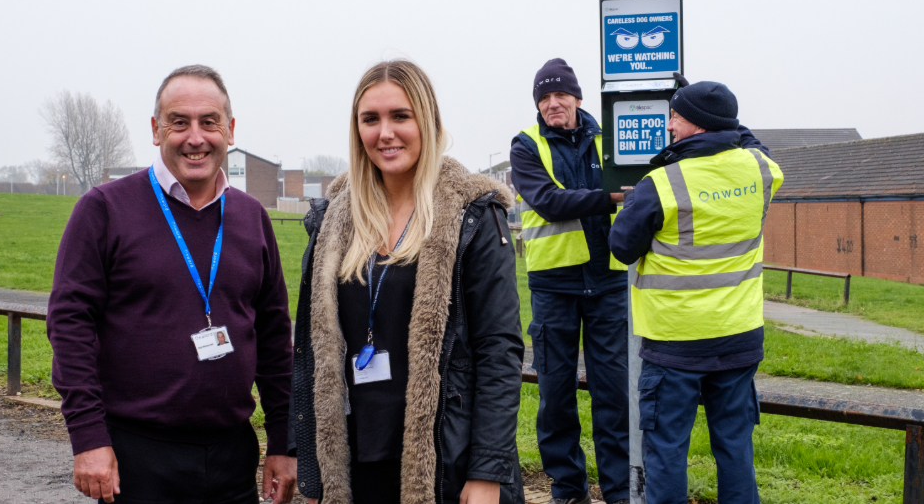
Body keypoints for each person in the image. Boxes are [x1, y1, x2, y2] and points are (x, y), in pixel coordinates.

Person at [47, 65, 297, 504]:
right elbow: (70, 325)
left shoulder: (251, 217)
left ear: (230, 130)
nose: (195, 137)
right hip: (138, 456)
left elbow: (274, 336)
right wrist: (88, 437)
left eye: (209, 122)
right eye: (179, 122)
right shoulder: (104, 209)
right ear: (156, 130)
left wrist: (283, 441)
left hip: (232, 453)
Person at [289, 59, 525, 504]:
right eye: (370, 119)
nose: (385, 133)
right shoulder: (334, 221)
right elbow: (311, 349)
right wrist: (304, 456)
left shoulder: (471, 215)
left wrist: (487, 471)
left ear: (428, 121)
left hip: (445, 464)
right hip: (355, 461)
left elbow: (500, 350)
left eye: (400, 116)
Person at [609, 79, 783, 504]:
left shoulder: (662, 183)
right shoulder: (762, 170)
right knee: (736, 448)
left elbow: (621, 246)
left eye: (676, 116)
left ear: (698, 126)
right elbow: (748, 139)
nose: (669, 125)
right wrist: (720, 115)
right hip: (739, 338)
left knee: (668, 451)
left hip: (676, 344)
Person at [509, 58, 629, 504]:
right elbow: (548, 202)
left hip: (610, 284)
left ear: (578, 98)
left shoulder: (613, 141)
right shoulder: (525, 147)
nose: (552, 103)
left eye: (561, 95)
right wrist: (612, 197)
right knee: (556, 399)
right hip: (554, 288)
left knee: (613, 398)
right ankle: (569, 491)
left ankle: (619, 493)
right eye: (544, 97)